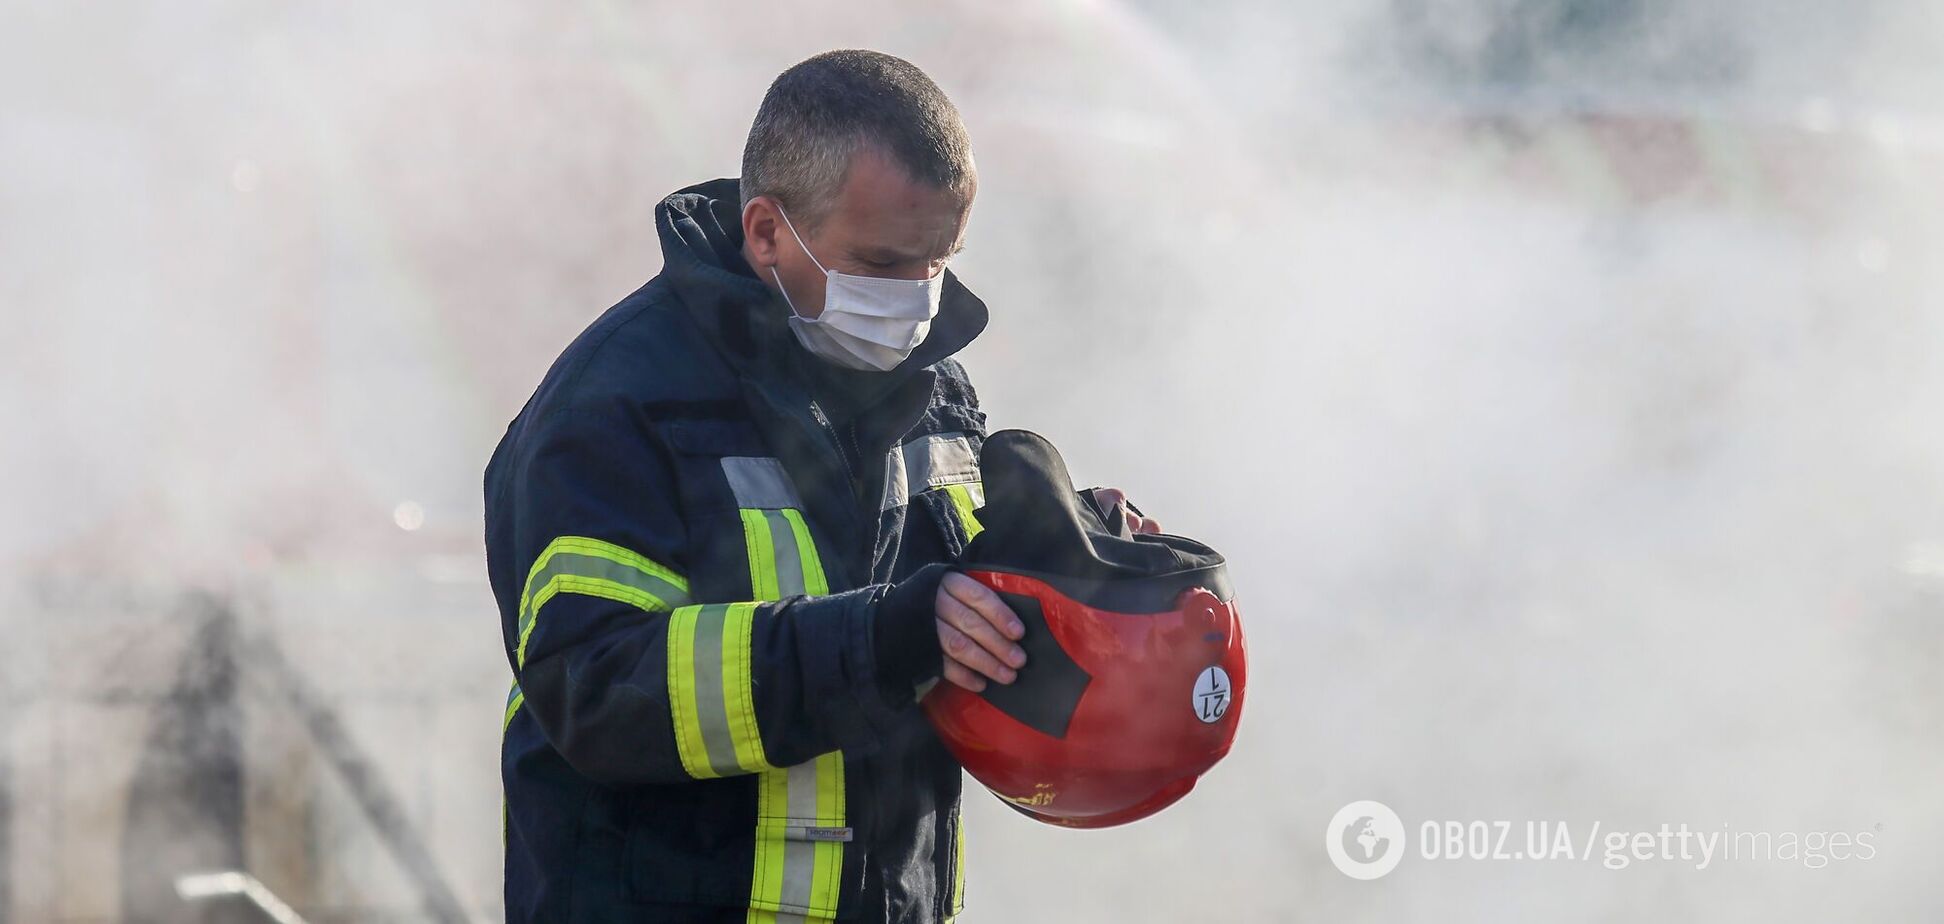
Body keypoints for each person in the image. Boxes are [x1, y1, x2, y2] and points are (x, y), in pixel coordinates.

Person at [485, 49, 1158, 923]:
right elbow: (596, 687)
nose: (917, 302)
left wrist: (1064, 560)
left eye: (940, 261)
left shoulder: (933, 390)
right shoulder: (615, 405)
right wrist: (883, 639)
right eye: (882, 262)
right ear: (767, 232)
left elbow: (952, 618)